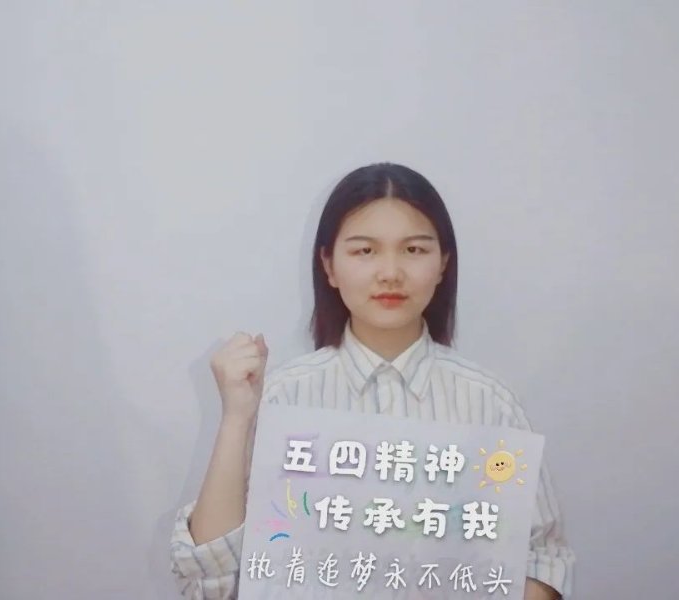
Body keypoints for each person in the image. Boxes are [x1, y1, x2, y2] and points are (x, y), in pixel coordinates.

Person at [170, 162, 575, 599]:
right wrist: (236, 417)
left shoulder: (489, 403)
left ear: (443, 263)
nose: (390, 272)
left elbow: (542, 560)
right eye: (365, 251)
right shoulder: (282, 397)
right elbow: (209, 579)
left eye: (414, 249)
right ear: (328, 265)